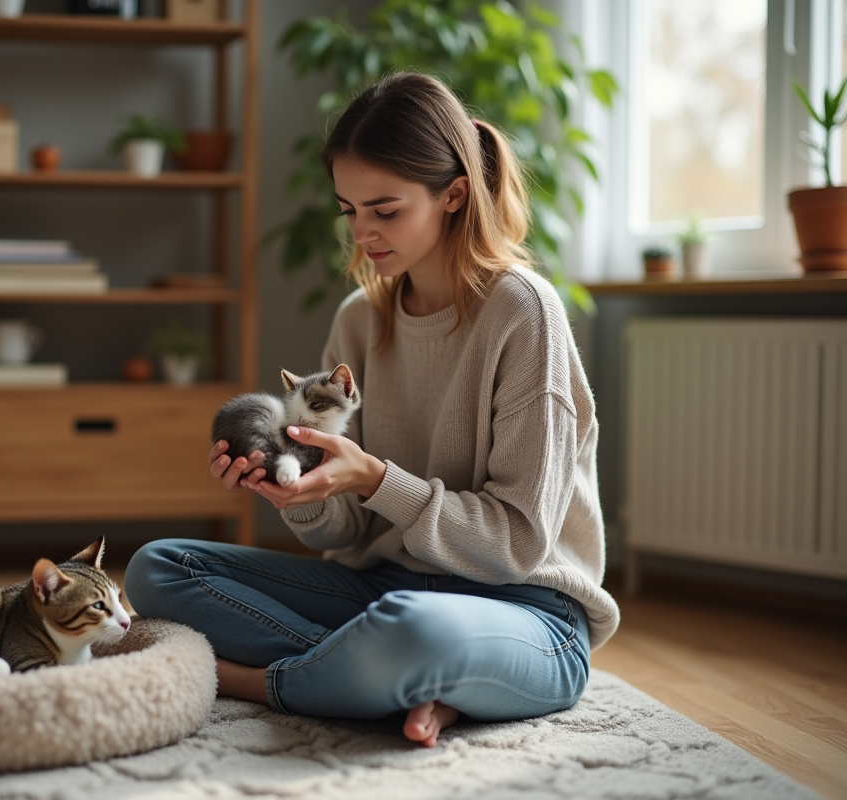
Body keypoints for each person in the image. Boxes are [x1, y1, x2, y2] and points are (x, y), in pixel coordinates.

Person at [125, 71, 620, 747]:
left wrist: (376, 478)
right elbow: (344, 533)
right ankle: (399, 679)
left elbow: (517, 545)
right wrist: (298, 493)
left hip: (525, 608)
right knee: (158, 568)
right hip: (382, 590)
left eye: (385, 211)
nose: (363, 233)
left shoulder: (523, 312)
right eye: (349, 210)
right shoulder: (359, 321)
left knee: (412, 629)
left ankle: (262, 679)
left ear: (454, 195)